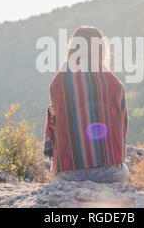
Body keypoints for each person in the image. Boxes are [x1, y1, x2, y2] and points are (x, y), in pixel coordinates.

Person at [44, 25, 129, 183]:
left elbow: (55, 125)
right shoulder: (114, 84)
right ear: (101, 49)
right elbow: (122, 126)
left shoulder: (58, 82)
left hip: (69, 175)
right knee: (124, 170)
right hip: (108, 173)